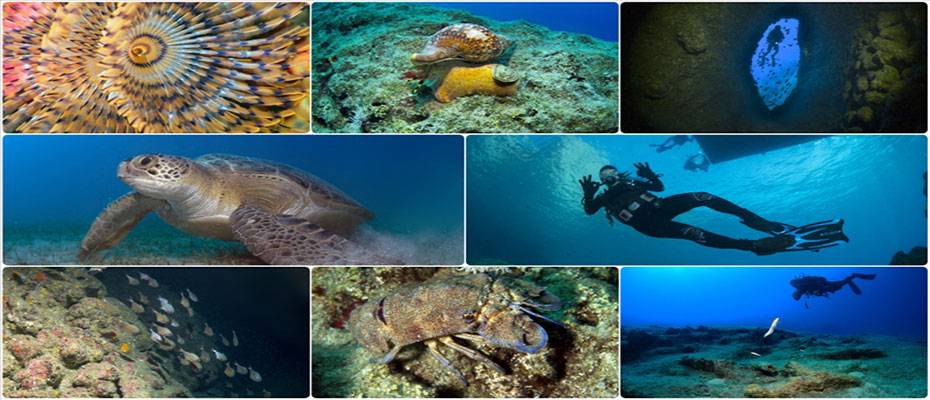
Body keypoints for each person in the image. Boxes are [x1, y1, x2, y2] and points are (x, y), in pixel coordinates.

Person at [579, 163, 848, 255]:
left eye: (612, 171)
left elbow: (659, 188)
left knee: (703, 195)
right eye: (606, 175)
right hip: (651, 226)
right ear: (603, 180)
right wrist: (588, 194)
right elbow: (590, 211)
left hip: (661, 207)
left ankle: (754, 219)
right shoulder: (604, 198)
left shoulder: (632, 182)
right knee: (694, 232)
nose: (611, 176)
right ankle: (752, 245)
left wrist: (650, 176)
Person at [790, 273, 876, 301]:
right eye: (799, 297)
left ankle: (855, 276)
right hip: (826, 287)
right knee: (841, 284)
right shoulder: (804, 289)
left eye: (797, 295)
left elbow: (816, 286)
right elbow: (816, 291)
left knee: (841, 283)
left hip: (826, 285)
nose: (799, 295)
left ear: (796, 293)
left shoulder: (802, 285)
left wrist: (818, 291)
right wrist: (818, 292)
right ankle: (850, 280)